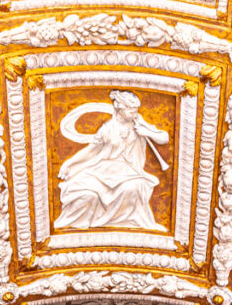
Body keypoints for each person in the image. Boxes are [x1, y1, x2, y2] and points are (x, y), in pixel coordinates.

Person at [55, 90, 169, 230]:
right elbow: (91, 151)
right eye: (131, 111)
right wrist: (69, 163)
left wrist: (148, 132)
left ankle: (133, 222)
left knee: (135, 186)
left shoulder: (138, 121)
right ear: (120, 109)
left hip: (128, 172)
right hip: (104, 170)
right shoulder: (107, 129)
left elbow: (164, 138)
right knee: (86, 192)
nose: (134, 113)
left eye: (136, 111)